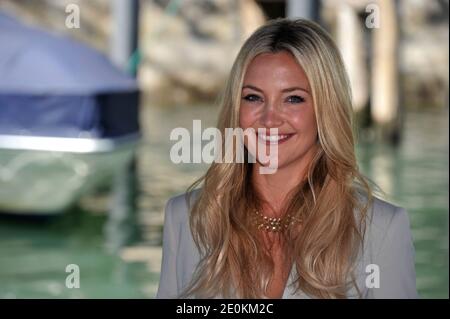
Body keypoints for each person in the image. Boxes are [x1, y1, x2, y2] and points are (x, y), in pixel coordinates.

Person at [156, 18, 418, 299]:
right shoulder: (186, 218)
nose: (269, 119)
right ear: (236, 109)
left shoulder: (381, 231)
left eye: (293, 99)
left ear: (325, 110)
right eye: (254, 98)